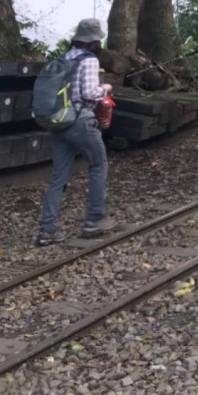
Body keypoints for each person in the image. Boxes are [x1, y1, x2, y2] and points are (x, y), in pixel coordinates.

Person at [35, 18, 116, 246]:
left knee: (58, 176)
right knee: (98, 165)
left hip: (58, 121)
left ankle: (48, 230)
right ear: (94, 41)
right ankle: (95, 218)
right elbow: (90, 93)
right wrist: (106, 88)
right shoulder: (89, 60)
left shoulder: (64, 58)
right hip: (80, 122)